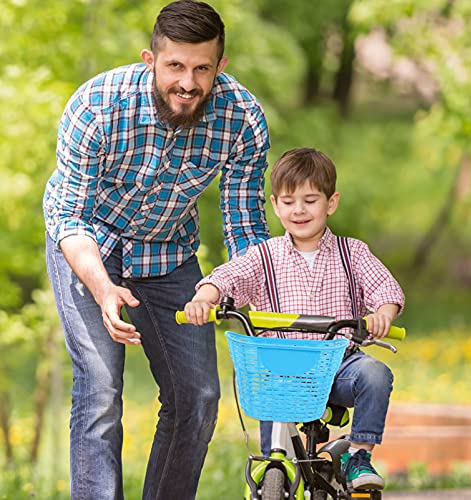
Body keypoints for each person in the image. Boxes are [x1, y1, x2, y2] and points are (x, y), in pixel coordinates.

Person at [43, 1, 270, 498]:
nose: (187, 82)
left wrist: (255, 294)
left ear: (220, 67)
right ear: (151, 60)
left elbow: (244, 226)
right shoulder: (97, 105)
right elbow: (69, 217)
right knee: (101, 390)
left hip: (169, 252)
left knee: (200, 396)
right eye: (175, 66)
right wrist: (103, 287)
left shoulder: (243, 119)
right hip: (91, 245)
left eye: (201, 69)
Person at [183, 147, 405, 492]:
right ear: (275, 205)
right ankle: (275, 470)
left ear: (331, 203)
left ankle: (358, 455)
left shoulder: (353, 253)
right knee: (272, 423)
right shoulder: (264, 256)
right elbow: (227, 277)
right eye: (289, 201)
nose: (298, 210)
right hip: (280, 373)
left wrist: (382, 315)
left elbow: (386, 290)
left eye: (310, 200)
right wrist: (204, 298)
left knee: (375, 373)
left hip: (337, 367)